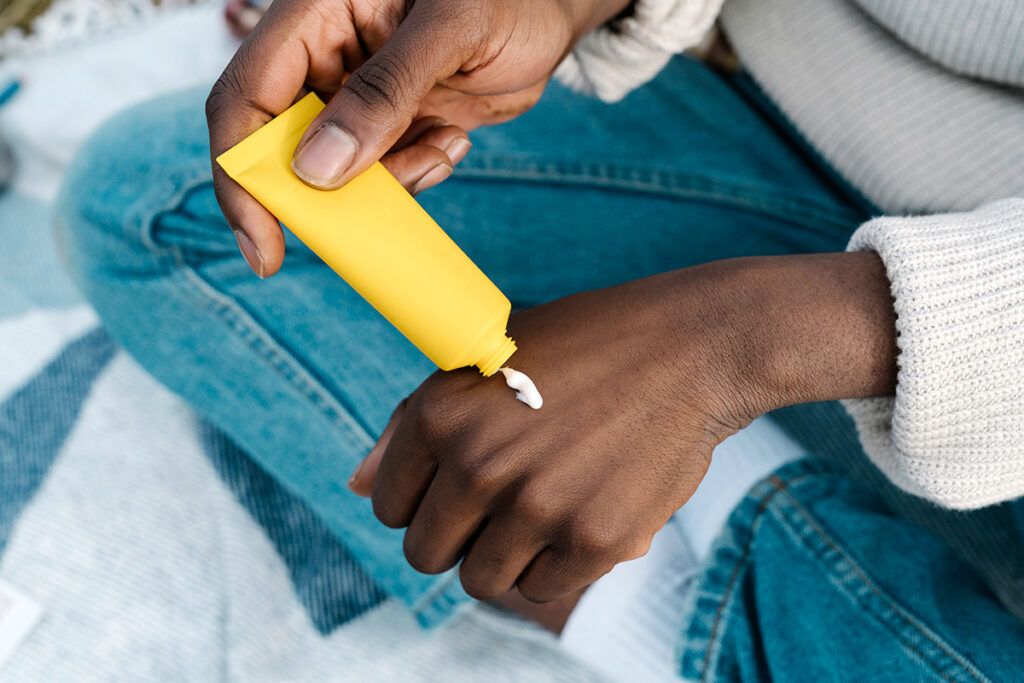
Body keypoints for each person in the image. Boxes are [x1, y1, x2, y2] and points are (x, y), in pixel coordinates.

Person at [59, 0, 1024, 679]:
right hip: (773, 125)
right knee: (151, 206)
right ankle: (679, 569)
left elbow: (741, 338)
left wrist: (738, 342)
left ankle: (706, 584)